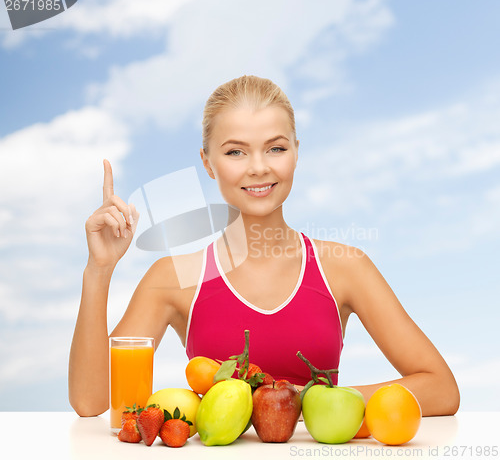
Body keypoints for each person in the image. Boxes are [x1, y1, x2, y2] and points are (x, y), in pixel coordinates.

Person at [69, 75, 460, 418]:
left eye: (275, 148)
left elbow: (441, 388)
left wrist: (310, 401)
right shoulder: (173, 278)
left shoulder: (344, 267)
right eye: (235, 151)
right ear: (208, 163)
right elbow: (92, 402)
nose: (258, 167)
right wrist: (98, 270)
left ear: (295, 152)